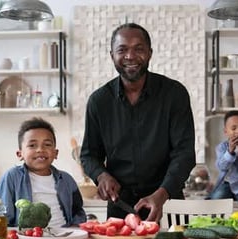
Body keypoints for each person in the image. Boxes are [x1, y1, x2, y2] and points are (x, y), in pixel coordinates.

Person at [80, 23, 196, 222]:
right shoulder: (99, 101)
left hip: (168, 203)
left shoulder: (175, 94)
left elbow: (184, 154)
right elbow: (89, 154)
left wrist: (163, 192)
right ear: (112, 55)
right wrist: (101, 176)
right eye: (122, 49)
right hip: (120, 207)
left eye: (138, 49)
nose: (130, 56)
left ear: (150, 53)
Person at [0, 117, 86, 227]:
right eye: (32, 145)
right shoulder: (11, 177)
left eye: (47, 144)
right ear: (20, 154)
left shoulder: (67, 179)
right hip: (29, 238)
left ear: (55, 153)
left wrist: (76, 229)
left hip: (63, 236)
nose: (40, 149)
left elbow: (78, 211)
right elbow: (3, 216)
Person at [208, 110, 238, 217]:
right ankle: (214, 225)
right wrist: (230, 150)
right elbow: (221, 166)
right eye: (233, 128)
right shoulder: (222, 147)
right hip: (225, 184)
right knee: (216, 198)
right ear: (226, 131)